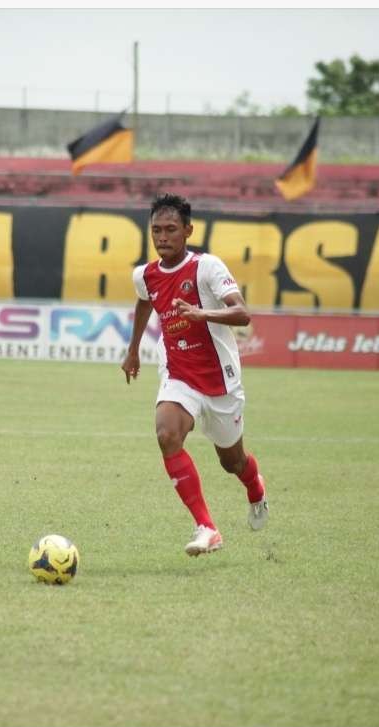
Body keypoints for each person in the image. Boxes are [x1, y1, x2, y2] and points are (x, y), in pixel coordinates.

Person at [122, 194, 268, 557]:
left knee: (231, 461)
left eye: (171, 229)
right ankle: (207, 527)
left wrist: (203, 315)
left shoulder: (208, 268)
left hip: (221, 381)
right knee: (166, 433)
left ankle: (255, 488)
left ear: (188, 230)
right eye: (156, 230)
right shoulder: (145, 274)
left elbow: (243, 313)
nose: (162, 237)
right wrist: (133, 349)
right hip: (178, 373)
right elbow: (145, 298)